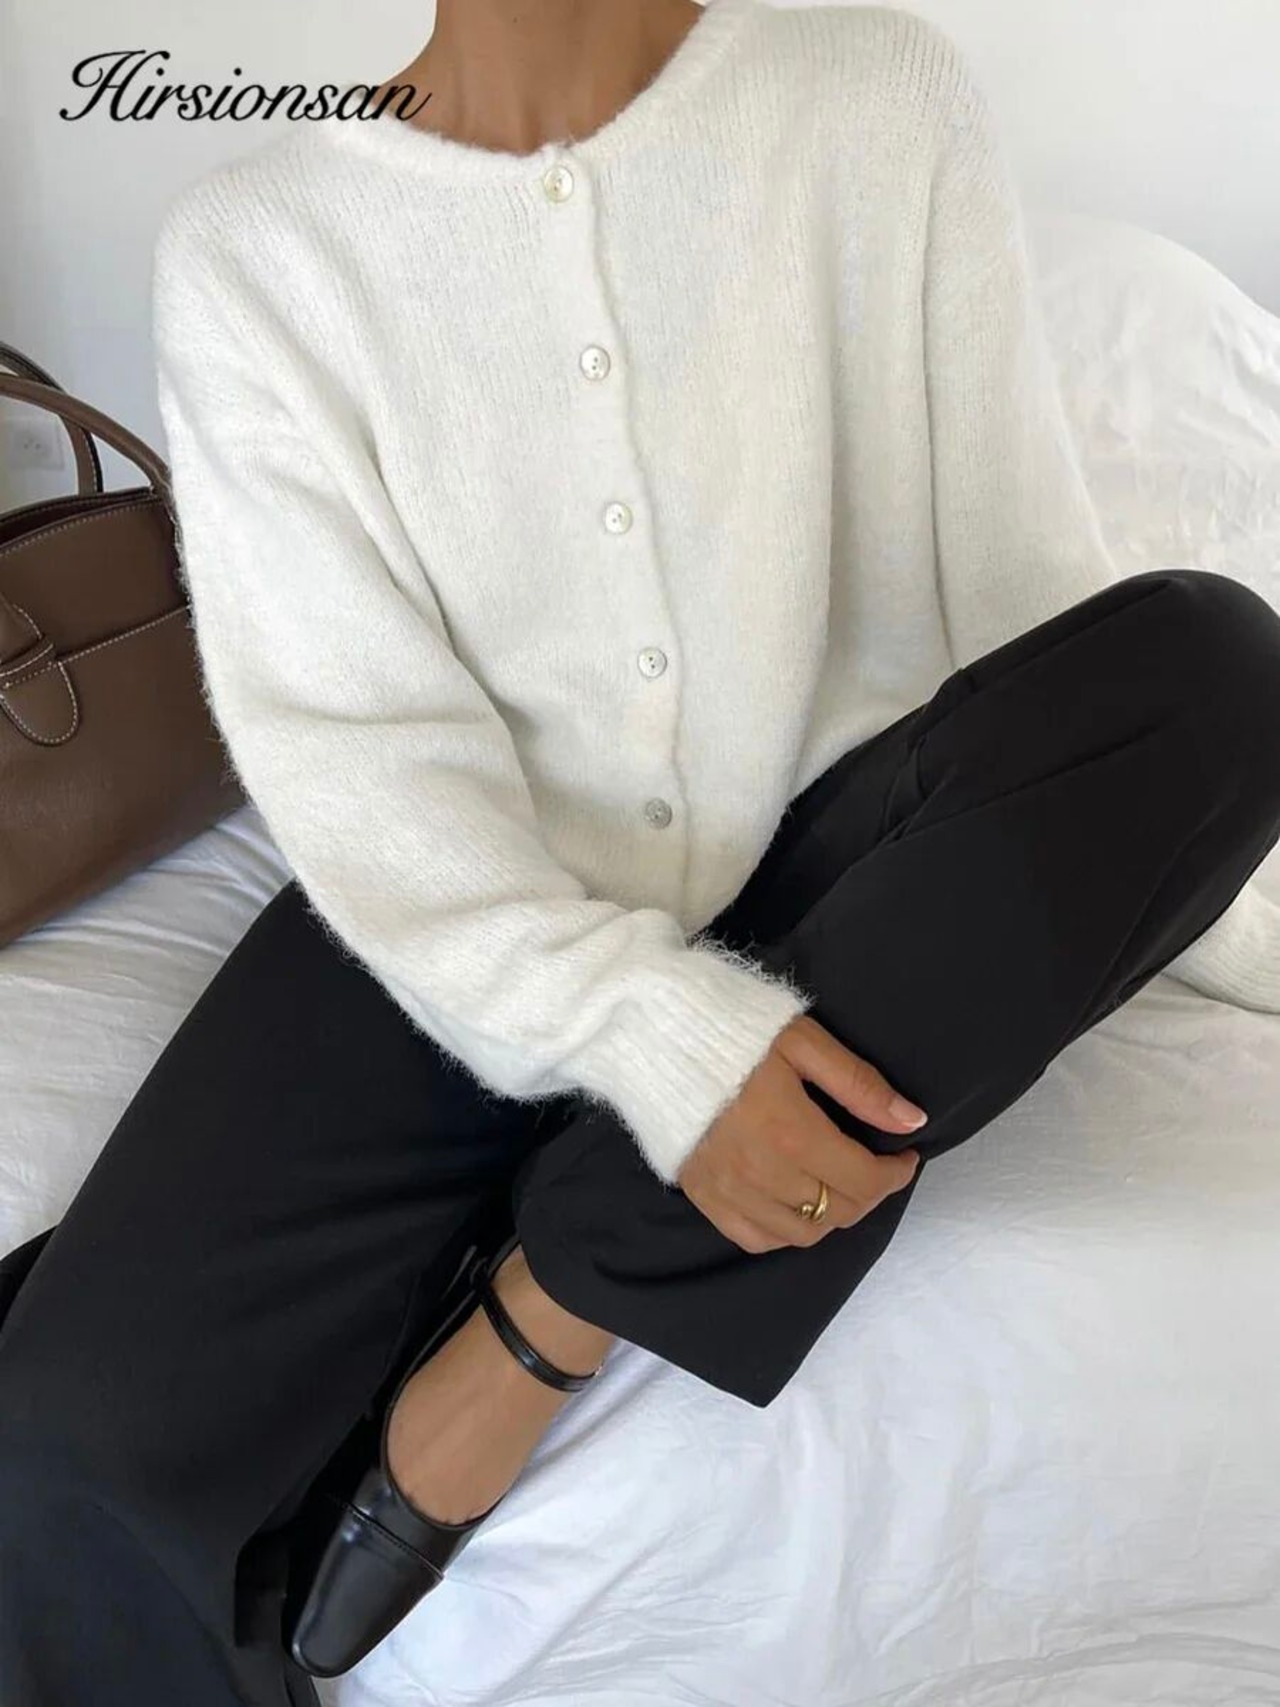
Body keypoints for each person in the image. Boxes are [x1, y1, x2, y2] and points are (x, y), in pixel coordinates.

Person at [2, 0, 1279, 1701]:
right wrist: (644, 1033)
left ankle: (543, 1312)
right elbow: (350, 744)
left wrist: (1197, 898)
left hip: (852, 880)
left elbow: (1027, 609)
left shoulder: (874, 97)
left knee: (1217, 665)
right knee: (64, 1452)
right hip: (458, 910)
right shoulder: (261, 247)